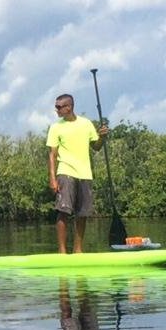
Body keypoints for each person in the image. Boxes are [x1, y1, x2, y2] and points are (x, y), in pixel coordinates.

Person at [47, 93, 109, 253]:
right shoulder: (56, 127)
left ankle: (78, 250)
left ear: (69, 107)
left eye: (59, 107)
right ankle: (62, 251)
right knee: (63, 211)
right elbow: (52, 155)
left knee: (82, 214)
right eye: (56, 107)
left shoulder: (86, 124)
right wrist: (52, 178)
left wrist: (102, 137)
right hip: (65, 172)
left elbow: (96, 146)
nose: (57, 110)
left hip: (85, 174)